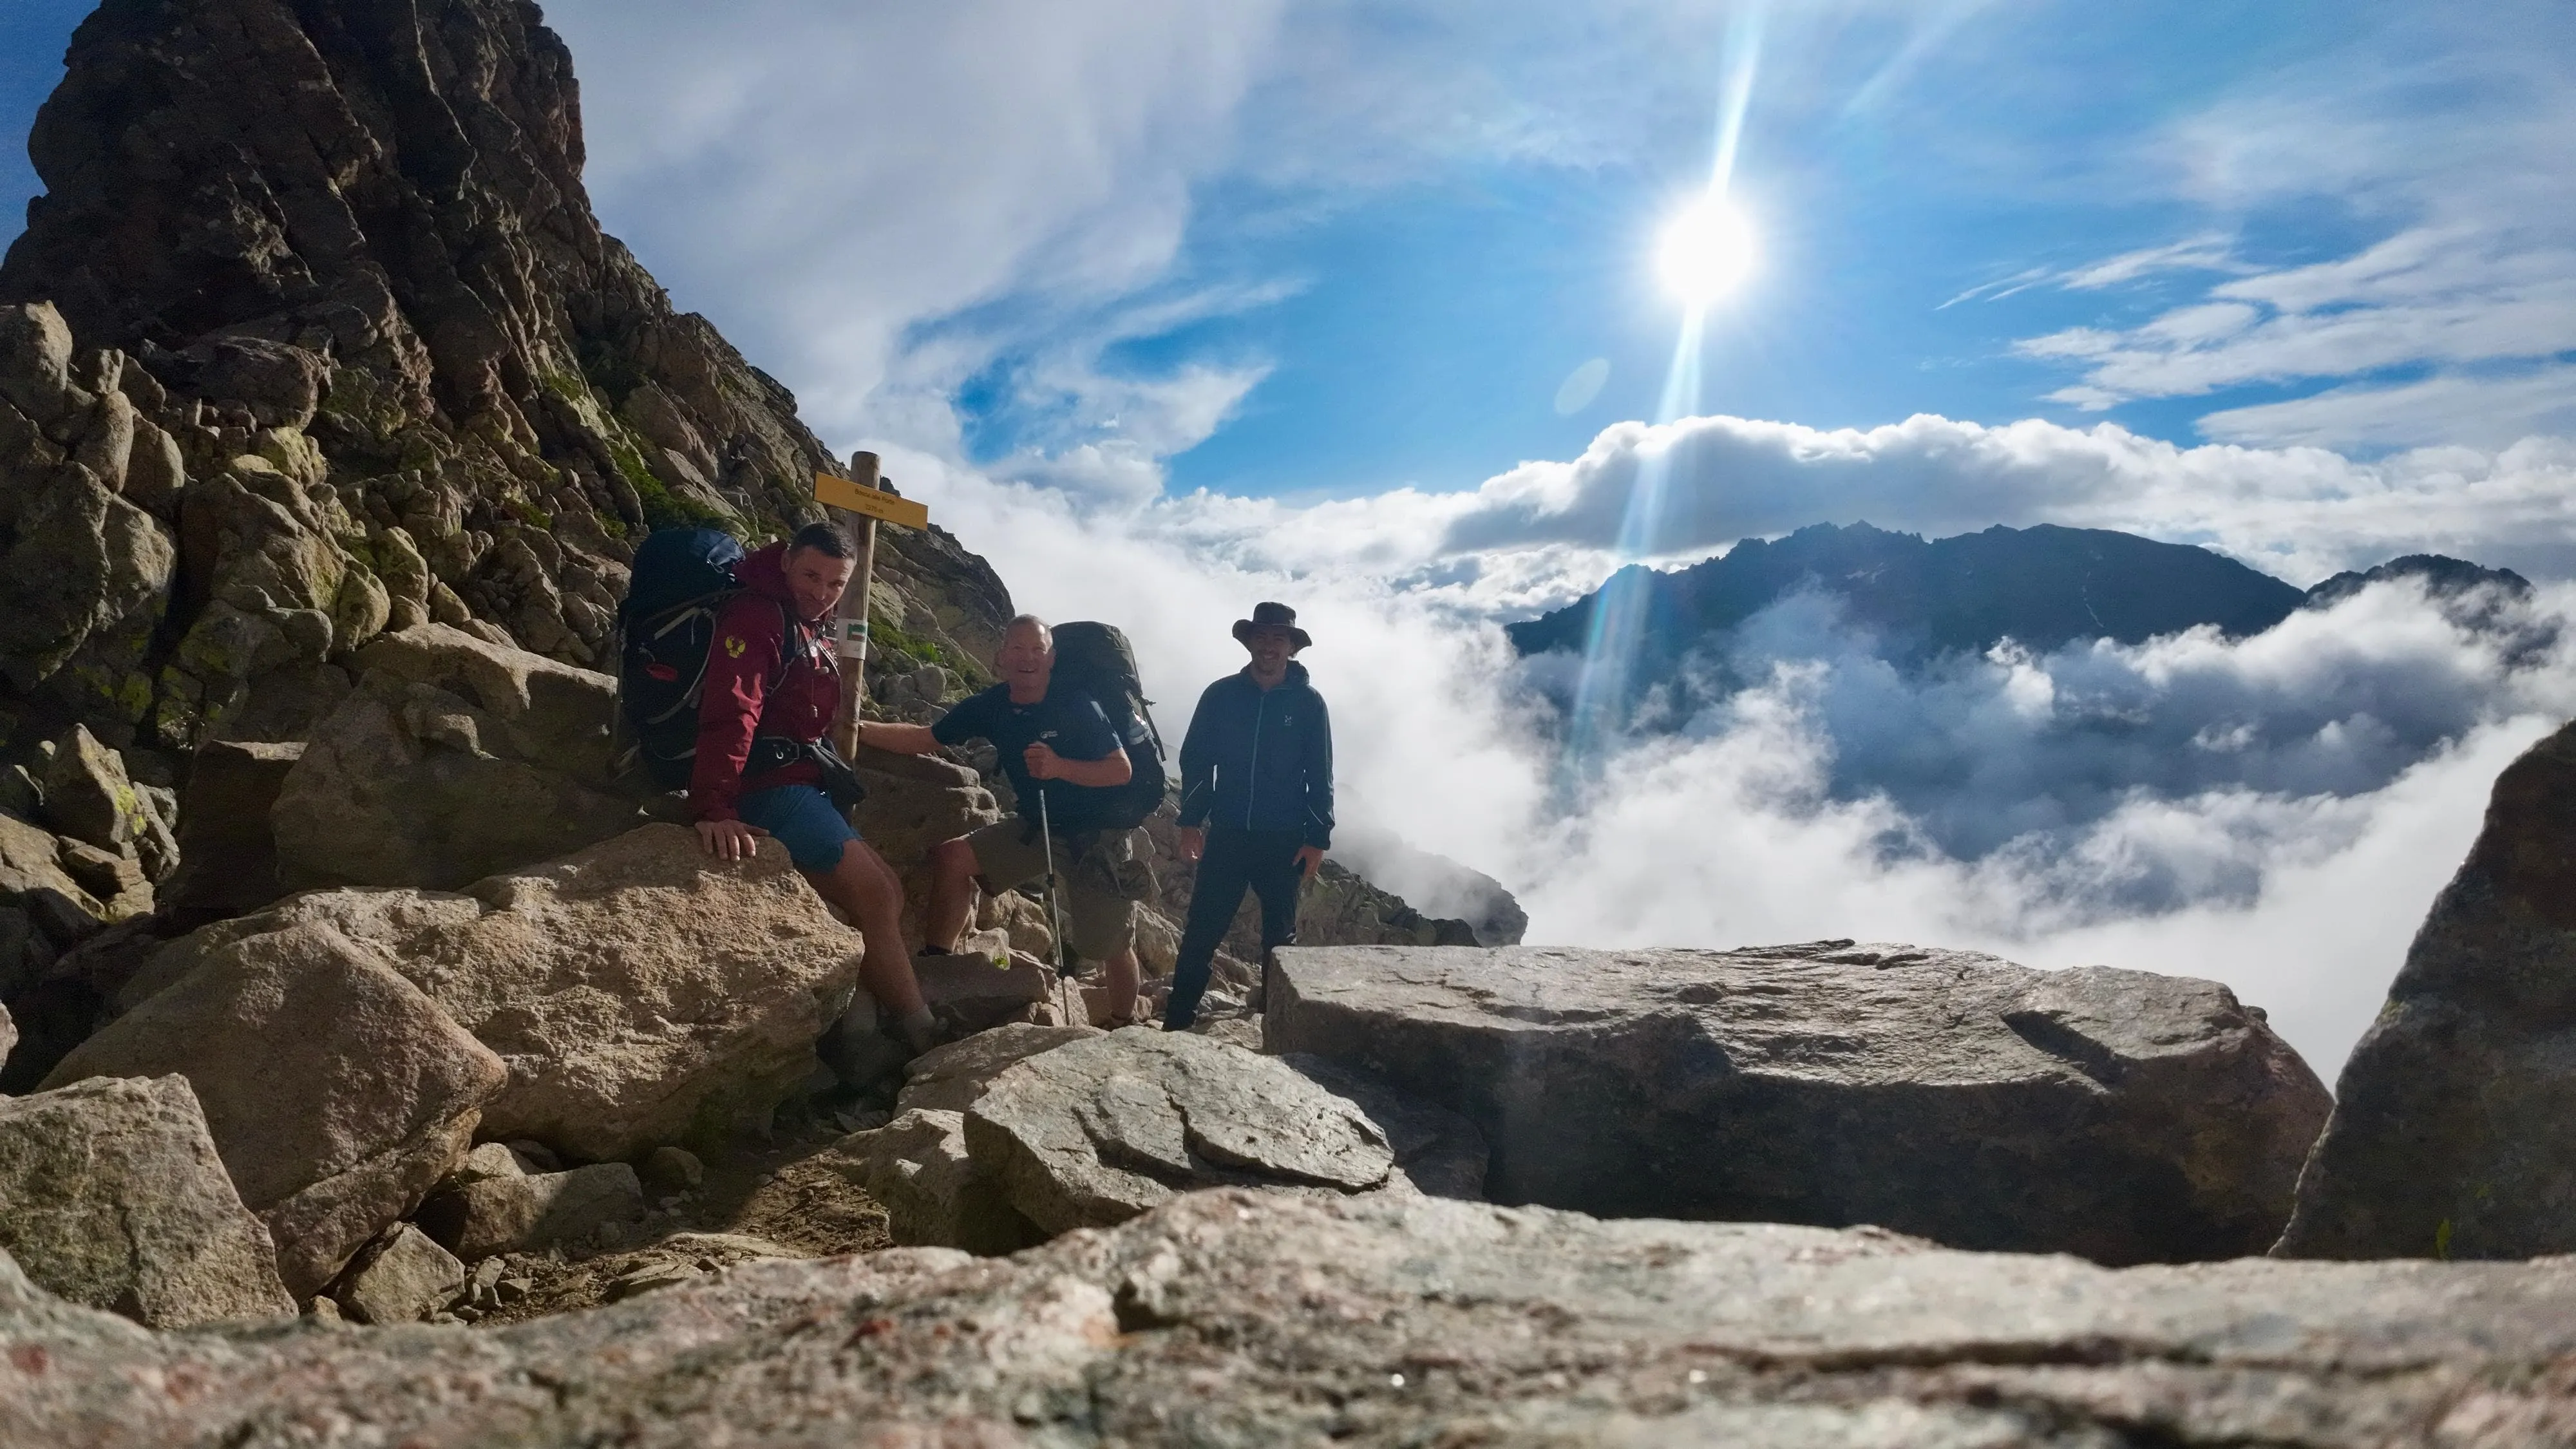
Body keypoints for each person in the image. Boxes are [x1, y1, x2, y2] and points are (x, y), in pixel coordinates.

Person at [688, 522, 935, 1054]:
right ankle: (923, 1035)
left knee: (885, 888)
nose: (820, 593)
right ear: (786, 563)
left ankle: (863, 1033)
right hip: (767, 786)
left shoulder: (808, 622)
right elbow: (734, 710)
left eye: (834, 585)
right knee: (872, 893)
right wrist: (714, 806)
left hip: (799, 778)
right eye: (810, 575)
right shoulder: (757, 615)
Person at [857, 614, 1152, 1025]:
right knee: (953, 858)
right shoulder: (992, 705)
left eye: (1038, 650)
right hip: (1037, 826)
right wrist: (858, 728)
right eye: (1018, 649)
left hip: (1097, 836)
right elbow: (926, 738)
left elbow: (1120, 770)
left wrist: (1058, 766)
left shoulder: (1078, 703)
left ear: (1052, 659)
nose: (1027, 658)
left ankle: (1124, 1023)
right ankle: (938, 967)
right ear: (1001, 658)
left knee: (1110, 941)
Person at [1165, 601, 1333, 1032]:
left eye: (1279, 638)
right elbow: (1197, 761)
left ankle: (1276, 1027)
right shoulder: (1220, 696)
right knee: (1202, 931)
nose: (1269, 645)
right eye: (1262, 637)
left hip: (1285, 838)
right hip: (1228, 833)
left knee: (1280, 940)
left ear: (1292, 648)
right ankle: (1176, 1024)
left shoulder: (1309, 704)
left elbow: (1320, 771)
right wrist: (1191, 822)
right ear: (1250, 642)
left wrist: (1317, 838)